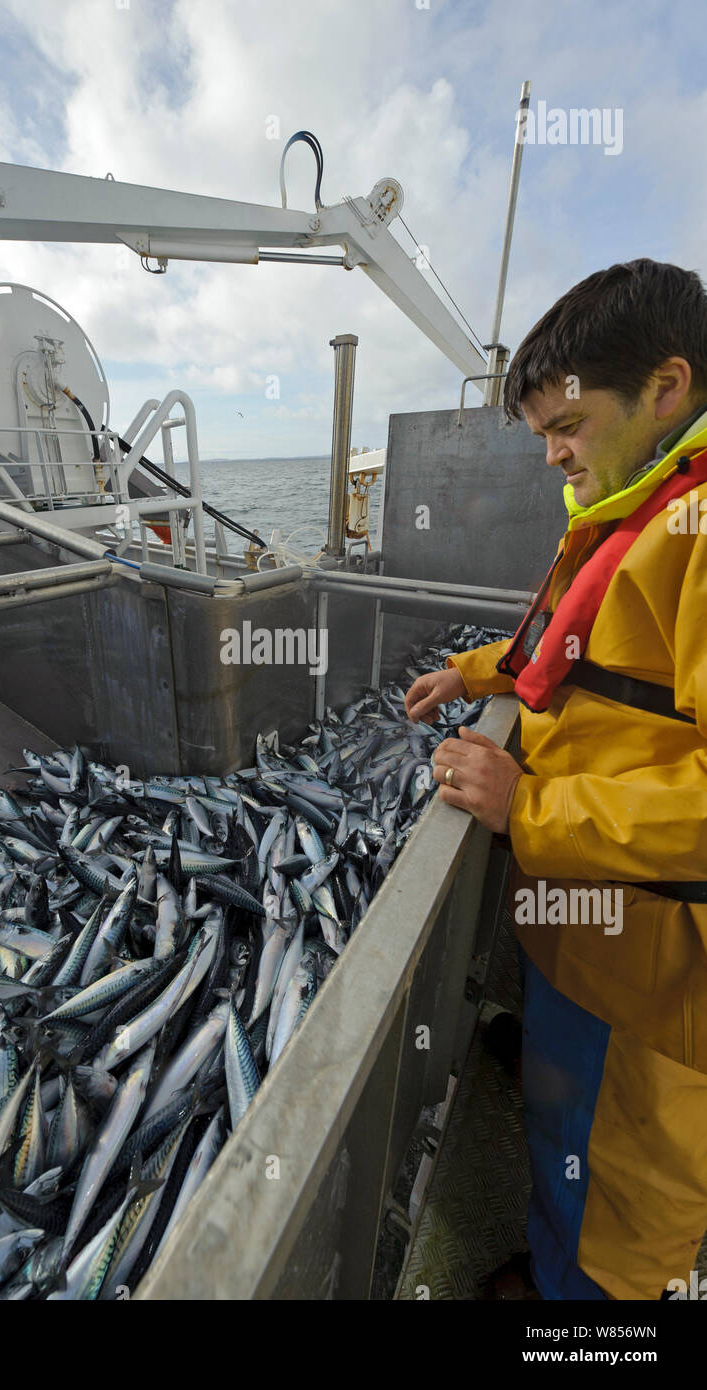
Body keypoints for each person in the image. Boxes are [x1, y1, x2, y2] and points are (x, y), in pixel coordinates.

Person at [405, 259, 707, 1301]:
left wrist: (527, 803)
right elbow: (583, 655)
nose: (550, 453)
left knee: (621, 1208)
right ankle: (545, 1269)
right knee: (561, 1138)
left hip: (657, 985)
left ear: (664, 387)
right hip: (587, 936)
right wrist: (472, 672)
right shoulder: (642, 510)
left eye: (566, 423)